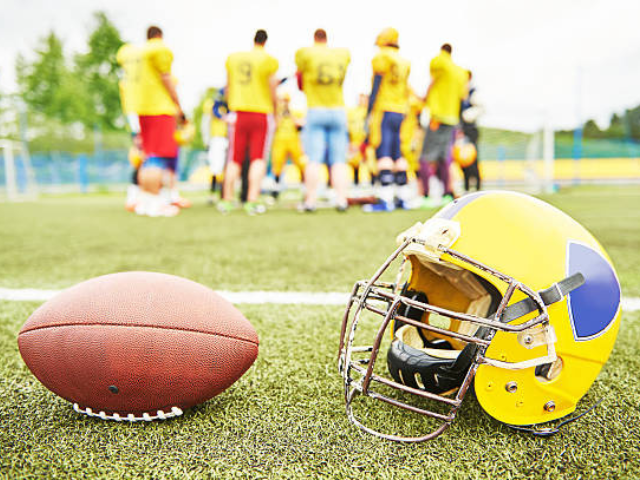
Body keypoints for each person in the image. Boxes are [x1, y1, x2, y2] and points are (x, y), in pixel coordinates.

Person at [219, 29, 278, 215]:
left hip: (238, 113)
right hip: (260, 113)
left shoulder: (233, 59)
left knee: (234, 158)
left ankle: (227, 200)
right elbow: (273, 89)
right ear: (265, 42)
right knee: (258, 158)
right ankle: (252, 200)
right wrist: (275, 112)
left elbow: (227, 89)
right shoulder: (268, 60)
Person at [295, 28, 351, 212]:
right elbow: (341, 80)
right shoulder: (341, 55)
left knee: (314, 159)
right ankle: (341, 200)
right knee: (339, 161)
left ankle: (310, 200)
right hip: (337, 109)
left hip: (316, 108)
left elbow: (300, 81)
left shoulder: (305, 53)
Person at [134, 26, 185, 217]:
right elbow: (166, 77)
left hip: (143, 108)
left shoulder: (138, 54)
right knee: (159, 157)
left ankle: (146, 202)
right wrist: (178, 105)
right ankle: (156, 203)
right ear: (159, 36)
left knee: (149, 157)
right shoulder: (160, 49)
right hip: (159, 108)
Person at [363, 27, 412, 212]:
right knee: (397, 154)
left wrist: (368, 112)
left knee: (383, 152)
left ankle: (385, 199)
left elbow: (376, 86)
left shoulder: (382, 57)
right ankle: (403, 197)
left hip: (384, 109)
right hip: (401, 111)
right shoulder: (404, 61)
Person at [418, 43, 467, 207]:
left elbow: (432, 82)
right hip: (452, 119)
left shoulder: (439, 62)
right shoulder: (461, 73)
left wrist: (425, 98)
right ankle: (446, 194)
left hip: (437, 117)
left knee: (425, 157)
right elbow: (462, 97)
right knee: (444, 158)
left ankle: (425, 196)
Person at [116, 42, 143, 212]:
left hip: (137, 118)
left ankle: (138, 196)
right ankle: (133, 197)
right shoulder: (128, 82)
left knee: (144, 158)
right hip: (138, 119)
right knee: (141, 158)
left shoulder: (128, 81)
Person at [270, 92, 306, 200]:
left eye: (286, 101)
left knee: (301, 164)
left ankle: (305, 189)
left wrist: (290, 115)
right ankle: (275, 190)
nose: (284, 103)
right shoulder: (276, 114)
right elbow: (273, 127)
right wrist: (280, 116)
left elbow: (300, 125)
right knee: (277, 165)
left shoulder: (295, 112)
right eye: (282, 101)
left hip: (294, 141)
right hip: (279, 142)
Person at [201, 87, 229, 204]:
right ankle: (213, 193)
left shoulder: (231, 106)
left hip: (229, 139)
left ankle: (225, 194)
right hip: (216, 139)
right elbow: (205, 123)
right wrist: (206, 140)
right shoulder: (212, 105)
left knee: (226, 168)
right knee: (215, 167)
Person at [459, 70, 483, 191]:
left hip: (470, 130)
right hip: (460, 131)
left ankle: (477, 186)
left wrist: (467, 115)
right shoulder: (459, 93)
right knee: (462, 160)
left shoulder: (473, 92)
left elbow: (480, 108)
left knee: (472, 159)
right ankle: (467, 186)